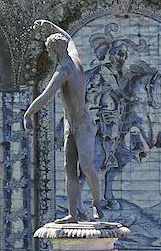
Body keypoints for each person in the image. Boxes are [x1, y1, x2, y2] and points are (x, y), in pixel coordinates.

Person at [23, 19, 105, 223]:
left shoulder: (65, 70)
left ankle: (96, 204)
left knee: (86, 166)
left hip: (83, 124)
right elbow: (68, 37)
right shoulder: (74, 56)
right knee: (70, 169)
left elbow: (46, 96)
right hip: (71, 126)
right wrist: (48, 25)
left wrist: (28, 113)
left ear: (53, 51)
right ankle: (73, 214)